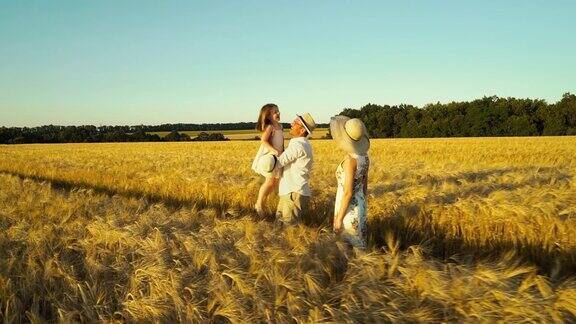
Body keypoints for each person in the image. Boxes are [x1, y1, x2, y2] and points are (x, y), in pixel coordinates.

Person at [330, 115, 370, 250]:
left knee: (346, 247)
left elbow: (347, 192)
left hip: (347, 209)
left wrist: (339, 219)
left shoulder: (350, 161)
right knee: (359, 247)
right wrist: (362, 204)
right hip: (360, 205)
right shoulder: (365, 158)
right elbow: (364, 186)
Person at [275, 113, 316, 226]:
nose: (291, 124)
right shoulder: (301, 144)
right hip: (291, 192)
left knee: (289, 229)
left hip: (293, 193)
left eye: (295, 122)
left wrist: (266, 155)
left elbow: (279, 162)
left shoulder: (299, 146)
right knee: (280, 229)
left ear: (302, 130)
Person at [252, 103, 284, 217]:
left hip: (279, 158)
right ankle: (259, 204)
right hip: (270, 158)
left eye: (278, 111)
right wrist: (274, 151)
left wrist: (283, 154)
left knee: (275, 182)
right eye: (275, 112)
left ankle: (264, 205)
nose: (278, 113)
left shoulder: (280, 126)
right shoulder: (270, 127)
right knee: (269, 181)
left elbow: (282, 143)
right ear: (268, 116)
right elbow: (263, 141)